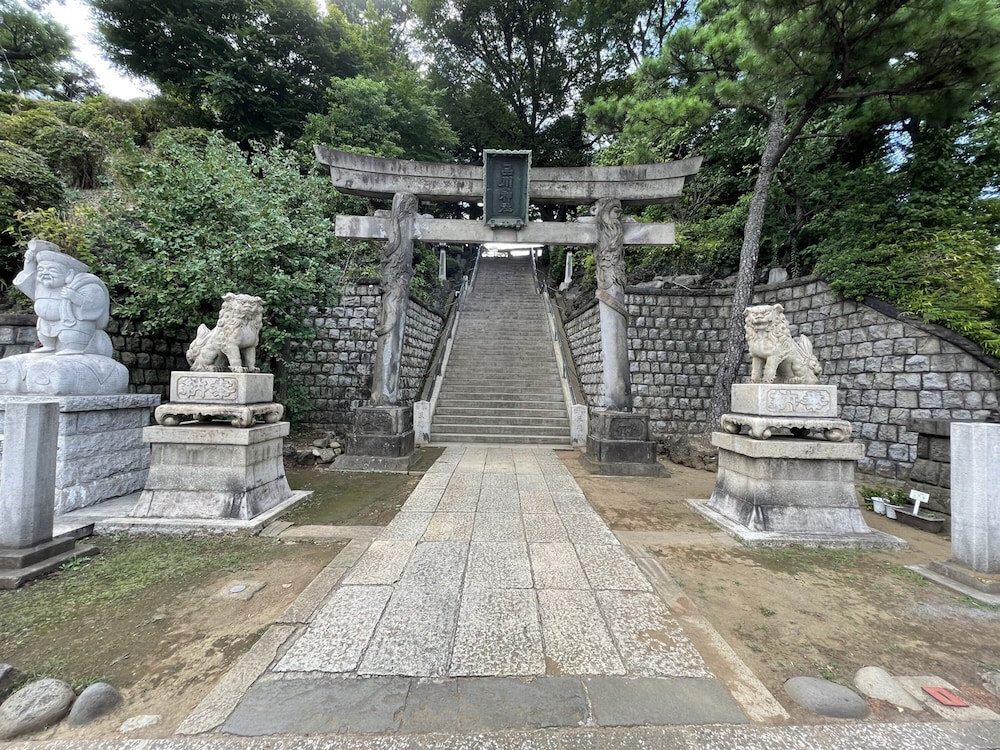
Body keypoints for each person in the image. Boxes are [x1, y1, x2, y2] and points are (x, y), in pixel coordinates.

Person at [13, 239, 111, 356]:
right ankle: (48, 345)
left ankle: (74, 348)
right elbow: (28, 278)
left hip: (71, 323)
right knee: (44, 332)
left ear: (69, 274)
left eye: (52, 270)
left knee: (72, 334)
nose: (45, 273)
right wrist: (29, 261)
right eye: (41, 269)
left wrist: (74, 297)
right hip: (46, 323)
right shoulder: (41, 285)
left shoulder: (82, 284)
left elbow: (94, 303)